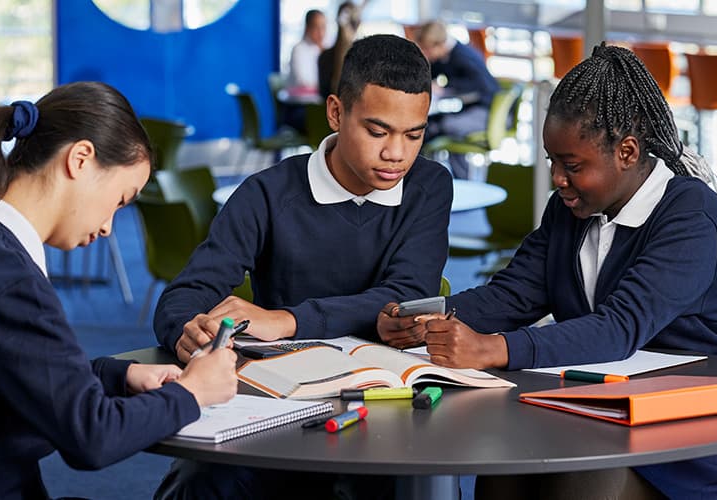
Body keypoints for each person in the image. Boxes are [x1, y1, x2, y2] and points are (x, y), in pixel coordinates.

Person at [377, 44, 717, 499]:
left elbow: (617, 329)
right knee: (503, 470)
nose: (558, 178)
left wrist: (492, 349)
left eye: (573, 165)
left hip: (692, 429)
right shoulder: (571, 210)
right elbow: (510, 296)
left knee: (585, 485)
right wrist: (429, 317)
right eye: (553, 162)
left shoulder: (690, 213)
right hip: (598, 409)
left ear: (627, 151)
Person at [0, 82, 239, 499]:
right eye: (119, 200)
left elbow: (19, 373)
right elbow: (92, 438)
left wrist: (120, 375)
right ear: (80, 159)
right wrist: (192, 391)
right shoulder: (4, 277)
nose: (108, 227)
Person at [153, 34, 449, 499]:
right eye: (378, 131)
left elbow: (405, 295)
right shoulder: (267, 194)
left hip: (387, 404)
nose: (397, 153)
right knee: (198, 485)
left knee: (424, 484)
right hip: (279, 402)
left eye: (414, 134)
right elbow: (185, 294)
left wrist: (288, 320)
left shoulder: (429, 186)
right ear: (335, 112)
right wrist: (185, 329)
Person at [414, 20, 500, 180]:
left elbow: (478, 86)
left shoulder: (463, 56)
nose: (425, 55)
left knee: (442, 126)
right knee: (428, 124)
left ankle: (422, 175)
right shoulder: (444, 58)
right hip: (471, 110)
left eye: (426, 50)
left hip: (486, 113)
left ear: (437, 45)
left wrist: (445, 89)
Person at [317, 1, 369, 100]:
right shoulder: (363, 57)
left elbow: (322, 94)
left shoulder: (324, 56)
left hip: (325, 114)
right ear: (358, 23)